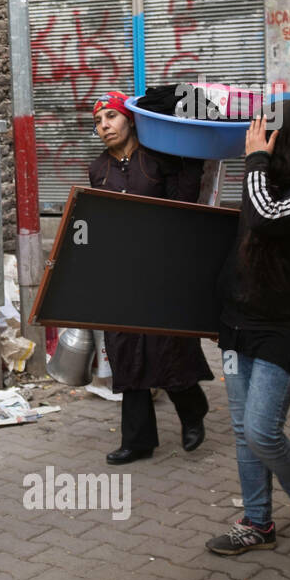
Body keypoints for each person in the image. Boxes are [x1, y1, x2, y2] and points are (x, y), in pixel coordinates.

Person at [205, 103, 290, 559]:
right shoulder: (261, 181)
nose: (257, 142)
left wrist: (256, 162)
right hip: (239, 322)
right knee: (243, 430)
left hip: (285, 329)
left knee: (263, 431)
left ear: (288, 140)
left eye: (267, 135)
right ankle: (258, 521)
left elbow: (265, 218)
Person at [87, 91, 212, 465]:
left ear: (130, 119)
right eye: (98, 121)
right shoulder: (98, 170)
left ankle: (192, 409)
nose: (104, 126)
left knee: (167, 344)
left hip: (162, 267)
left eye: (111, 116)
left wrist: (192, 164)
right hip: (121, 272)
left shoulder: (157, 160)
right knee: (125, 349)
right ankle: (138, 440)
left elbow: (183, 205)